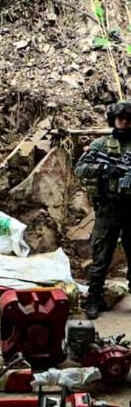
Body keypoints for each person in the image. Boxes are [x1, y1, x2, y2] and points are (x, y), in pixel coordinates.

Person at [75, 100, 131, 319]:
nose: (124, 122)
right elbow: (80, 169)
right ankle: (93, 299)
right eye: (120, 119)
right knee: (101, 256)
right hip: (109, 208)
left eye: (128, 119)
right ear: (113, 120)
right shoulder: (101, 145)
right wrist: (105, 168)